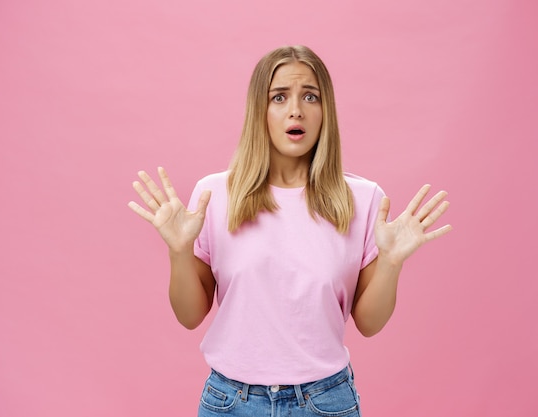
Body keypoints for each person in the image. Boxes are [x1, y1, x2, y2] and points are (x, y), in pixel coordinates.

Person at [128, 45, 452, 417]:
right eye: (279, 97)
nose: (295, 109)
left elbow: (369, 324)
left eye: (309, 96)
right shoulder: (214, 195)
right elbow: (189, 316)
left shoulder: (363, 200)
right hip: (230, 402)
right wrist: (179, 252)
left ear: (324, 111)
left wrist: (392, 262)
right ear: (259, 111)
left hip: (326, 402)